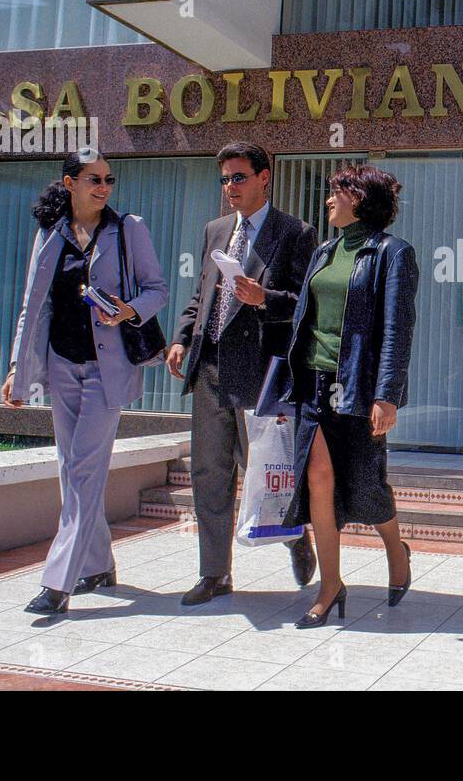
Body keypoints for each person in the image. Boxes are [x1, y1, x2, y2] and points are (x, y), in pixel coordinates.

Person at [3, 147, 169, 616]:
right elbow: (33, 306)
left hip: (107, 369)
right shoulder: (50, 234)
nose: (103, 187)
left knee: (83, 471)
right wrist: (17, 368)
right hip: (61, 364)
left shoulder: (128, 229)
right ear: (69, 183)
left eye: (108, 179)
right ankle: (97, 565)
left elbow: (157, 290)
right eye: (94, 179)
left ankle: (58, 583)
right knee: (69, 470)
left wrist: (129, 310)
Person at [258, 164, 418, 628]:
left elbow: (397, 329)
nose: (329, 200)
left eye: (338, 192)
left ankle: (396, 549)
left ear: (360, 199)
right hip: (312, 381)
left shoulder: (392, 253)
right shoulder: (324, 251)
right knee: (318, 479)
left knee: (366, 484)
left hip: (357, 385)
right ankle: (331, 586)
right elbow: (305, 313)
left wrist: (387, 395)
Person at [167, 141, 318, 605]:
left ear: (264, 177)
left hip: (258, 372)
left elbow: (306, 304)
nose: (229, 187)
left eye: (238, 177)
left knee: (267, 471)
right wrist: (182, 337)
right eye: (224, 179)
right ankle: (214, 573)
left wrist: (264, 299)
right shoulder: (215, 229)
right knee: (209, 473)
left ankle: (295, 536)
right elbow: (202, 294)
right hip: (210, 367)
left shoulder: (295, 232)